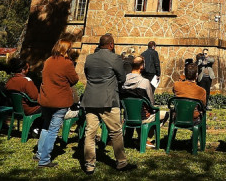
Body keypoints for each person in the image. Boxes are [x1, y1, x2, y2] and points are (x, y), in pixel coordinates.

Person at [81, 34, 130, 174]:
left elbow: (87, 74)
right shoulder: (115, 58)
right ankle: (121, 162)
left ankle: (89, 165)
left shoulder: (89, 58)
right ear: (111, 45)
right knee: (115, 132)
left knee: (90, 133)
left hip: (90, 99)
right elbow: (122, 78)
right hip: (109, 100)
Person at [36, 39, 79, 168]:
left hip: (46, 99)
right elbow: (74, 79)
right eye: (70, 49)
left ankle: (39, 153)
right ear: (66, 50)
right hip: (59, 101)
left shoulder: (48, 61)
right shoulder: (67, 63)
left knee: (46, 126)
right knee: (53, 131)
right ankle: (44, 160)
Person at [122, 56, 160, 147]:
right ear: (142, 67)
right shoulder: (145, 82)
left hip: (127, 115)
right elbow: (151, 102)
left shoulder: (124, 80)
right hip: (142, 117)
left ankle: (134, 138)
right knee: (163, 114)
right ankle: (144, 138)